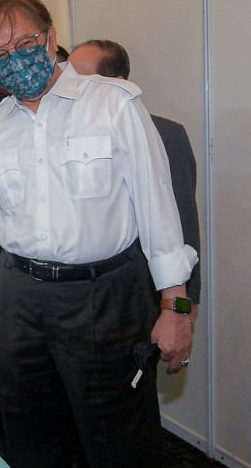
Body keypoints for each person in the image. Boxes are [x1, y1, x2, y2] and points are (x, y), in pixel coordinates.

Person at [0, 0, 197, 468]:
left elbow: (161, 216)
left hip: (104, 297)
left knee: (121, 459)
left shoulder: (112, 106)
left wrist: (177, 306)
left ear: (52, 35)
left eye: (24, 43)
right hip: (18, 301)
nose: (16, 59)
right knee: (33, 452)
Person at [68, 39, 201, 317]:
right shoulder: (55, 138)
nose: (70, 86)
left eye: (82, 78)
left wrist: (184, 310)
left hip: (143, 294)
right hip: (80, 299)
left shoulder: (164, 135)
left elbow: (182, 224)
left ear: (118, 84)